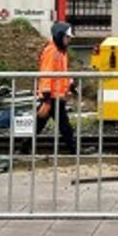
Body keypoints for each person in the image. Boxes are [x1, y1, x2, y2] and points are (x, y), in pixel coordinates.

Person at [34, 21, 78, 152]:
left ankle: (23, 146)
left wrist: (69, 84)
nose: (69, 40)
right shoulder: (52, 51)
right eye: (67, 37)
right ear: (60, 36)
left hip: (55, 95)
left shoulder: (60, 51)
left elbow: (62, 71)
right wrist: (46, 97)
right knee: (64, 125)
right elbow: (46, 74)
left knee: (39, 124)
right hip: (52, 96)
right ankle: (74, 149)